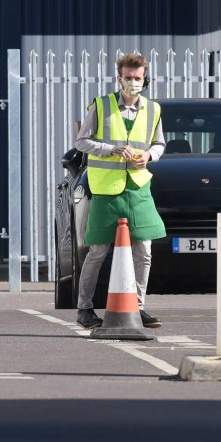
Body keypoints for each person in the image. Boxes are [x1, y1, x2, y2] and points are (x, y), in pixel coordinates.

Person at [74, 53, 167, 329]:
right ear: (119, 78)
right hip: (106, 190)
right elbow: (82, 142)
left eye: (138, 78)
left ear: (144, 79)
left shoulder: (153, 110)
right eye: (128, 78)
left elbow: (159, 144)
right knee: (98, 252)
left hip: (137, 187)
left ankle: (138, 308)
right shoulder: (101, 106)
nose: (133, 83)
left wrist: (148, 156)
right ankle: (84, 309)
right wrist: (112, 150)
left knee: (145, 251)